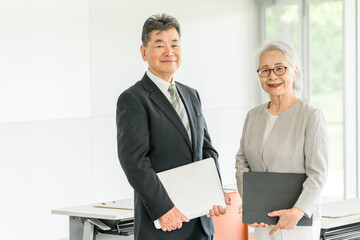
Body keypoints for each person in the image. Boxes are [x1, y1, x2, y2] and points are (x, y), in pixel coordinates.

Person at [116, 13, 231, 240]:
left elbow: (207, 150)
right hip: (163, 226)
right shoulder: (134, 99)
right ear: (144, 52)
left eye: (175, 44)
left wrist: (215, 194)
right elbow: (134, 162)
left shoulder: (191, 95)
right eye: (160, 45)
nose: (169, 52)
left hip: (200, 224)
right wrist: (164, 209)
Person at [235, 40, 328, 240]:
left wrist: (297, 211)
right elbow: (242, 162)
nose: (272, 76)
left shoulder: (311, 116)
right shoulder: (253, 116)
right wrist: (251, 202)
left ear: (294, 72)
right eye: (265, 70)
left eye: (280, 68)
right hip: (262, 219)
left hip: (298, 222)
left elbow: (318, 173)